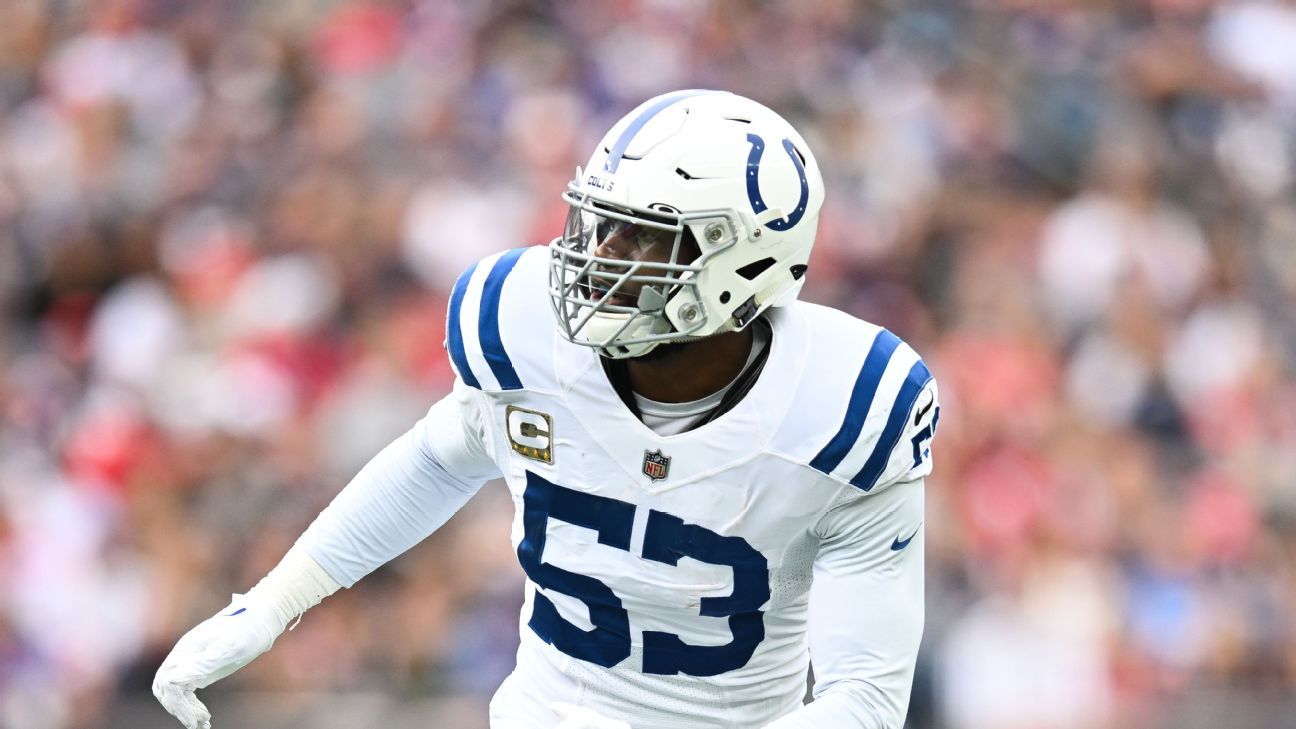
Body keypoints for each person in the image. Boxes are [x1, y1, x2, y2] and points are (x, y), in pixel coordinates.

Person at [153, 90, 939, 729]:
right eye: (601, 225)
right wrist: (276, 601)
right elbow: (437, 458)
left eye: (643, 240)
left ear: (747, 263)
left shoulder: (849, 408)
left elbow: (865, 702)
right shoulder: (524, 327)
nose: (598, 259)